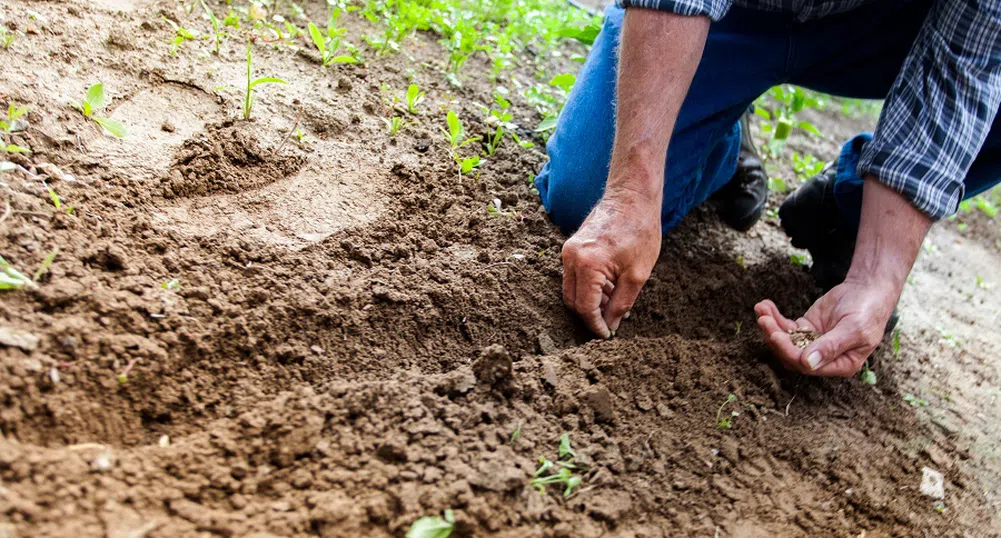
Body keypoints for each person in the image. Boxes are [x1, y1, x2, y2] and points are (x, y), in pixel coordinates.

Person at [534, 0, 1001, 377]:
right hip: (733, 14)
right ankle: (721, 138)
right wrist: (630, 195)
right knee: (586, 194)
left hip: (884, 28)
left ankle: (850, 212)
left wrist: (876, 277)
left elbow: (966, 66)